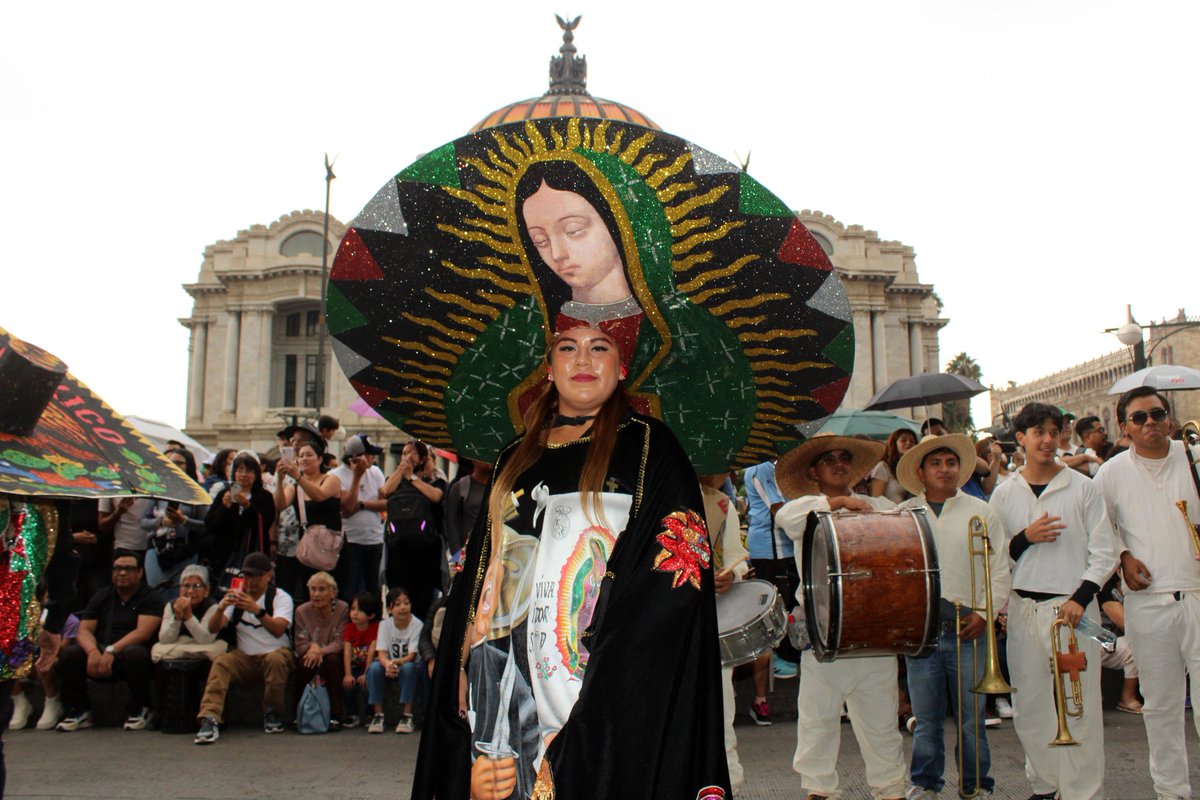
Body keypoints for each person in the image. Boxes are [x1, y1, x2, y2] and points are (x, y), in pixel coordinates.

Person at [412, 324, 729, 800]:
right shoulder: (512, 458)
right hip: (501, 670)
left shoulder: (650, 447)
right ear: (549, 369)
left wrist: (609, 664)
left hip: (601, 667)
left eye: (599, 348)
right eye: (568, 348)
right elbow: (481, 569)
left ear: (621, 370)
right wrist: (462, 662)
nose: (583, 359)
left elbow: (678, 570)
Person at [989, 402, 1118, 800]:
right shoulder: (1004, 494)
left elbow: (1105, 552)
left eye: (1053, 431)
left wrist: (1081, 597)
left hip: (1073, 612)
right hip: (1025, 612)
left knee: (1079, 709)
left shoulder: (1083, 487)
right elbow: (994, 557)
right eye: (1037, 432)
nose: (1047, 440)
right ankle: (1045, 786)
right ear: (1021, 438)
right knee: (1030, 705)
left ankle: (1082, 792)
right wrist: (1024, 538)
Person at [774, 434, 908, 800]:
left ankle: (892, 791)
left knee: (881, 725)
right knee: (817, 724)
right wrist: (839, 503)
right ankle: (819, 792)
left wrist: (861, 506)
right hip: (825, 633)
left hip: (873, 634)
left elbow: (908, 525)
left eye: (844, 457)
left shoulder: (877, 505)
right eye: (828, 459)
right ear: (814, 472)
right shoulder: (803, 508)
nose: (838, 463)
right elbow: (787, 518)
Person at [1094, 386, 1200, 800]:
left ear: (1169, 419)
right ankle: (1172, 792)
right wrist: (1122, 557)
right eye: (1139, 418)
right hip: (1149, 602)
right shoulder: (1111, 473)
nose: (1150, 422)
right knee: (1160, 706)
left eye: (1157, 414)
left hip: (1197, 593)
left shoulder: (1193, 458)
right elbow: (1100, 529)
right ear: (1124, 427)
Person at [894, 434, 1011, 799]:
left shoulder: (982, 510)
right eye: (936, 464)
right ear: (921, 472)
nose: (945, 470)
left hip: (969, 627)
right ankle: (926, 782)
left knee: (971, 720)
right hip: (923, 629)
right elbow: (895, 573)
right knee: (926, 720)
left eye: (950, 463)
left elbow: (1000, 569)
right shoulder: (904, 514)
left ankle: (977, 783)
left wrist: (984, 615)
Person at [56, 550, 163, 732]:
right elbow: (84, 630)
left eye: (128, 569)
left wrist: (112, 650)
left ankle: (140, 708)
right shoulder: (102, 596)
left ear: (140, 572)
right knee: (70, 654)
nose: (122, 573)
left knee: (135, 654)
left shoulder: (150, 597)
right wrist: (93, 652)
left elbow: (143, 632)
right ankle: (79, 711)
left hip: (129, 652)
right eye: (118, 569)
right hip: (100, 652)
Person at [194, 553, 294, 744]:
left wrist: (257, 610)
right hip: (245, 657)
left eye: (257, 576)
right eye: (247, 576)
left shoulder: (281, 597)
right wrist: (221, 607)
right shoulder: (236, 597)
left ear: (268, 575)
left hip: (276, 653)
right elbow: (213, 628)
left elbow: (278, 629)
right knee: (222, 662)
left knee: (276, 659)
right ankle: (210, 717)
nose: (251, 581)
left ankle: (272, 712)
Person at [701, 473, 751, 795]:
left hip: (711, 625)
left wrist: (731, 574)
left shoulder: (721, 505)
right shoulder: (647, 491)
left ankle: (726, 787)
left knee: (720, 716)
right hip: (658, 630)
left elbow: (737, 557)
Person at [743, 457, 798, 682]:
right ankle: (781, 657)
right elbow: (777, 508)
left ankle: (790, 653)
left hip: (785, 546)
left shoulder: (777, 467)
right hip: (769, 548)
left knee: (792, 600)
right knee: (777, 603)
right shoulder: (760, 466)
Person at [381, 439, 445, 620]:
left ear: (423, 458)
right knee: (399, 594)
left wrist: (412, 477)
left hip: (425, 553)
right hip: (398, 551)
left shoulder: (435, 482)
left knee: (423, 599)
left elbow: (436, 497)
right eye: (403, 453)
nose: (407, 456)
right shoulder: (395, 481)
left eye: (412, 452)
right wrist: (401, 471)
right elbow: (385, 490)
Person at [273, 438, 342, 603]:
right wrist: (280, 479)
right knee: (307, 595)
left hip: (330, 548)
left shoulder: (330, 479)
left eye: (309, 455)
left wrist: (298, 477)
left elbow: (319, 495)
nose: (304, 458)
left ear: (319, 459)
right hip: (307, 550)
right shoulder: (295, 486)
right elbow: (280, 504)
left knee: (330, 593)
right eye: (301, 455)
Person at [9, 584, 79, 731]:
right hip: (31, 658)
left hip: (56, 659)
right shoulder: (31, 619)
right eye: (49, 596)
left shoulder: (71, 621)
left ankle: (52, 699)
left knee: (43, 662)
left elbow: (64, 645)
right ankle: (19, 701)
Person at [141, 448, 209, 595]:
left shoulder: (197, 492)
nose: (175, 466)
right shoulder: (158, 489)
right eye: (172, 462)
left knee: (182, 594)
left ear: (189, 465)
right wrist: (161, 522)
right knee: (156, 594)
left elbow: (206, 525)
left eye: (180, 463)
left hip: (185, 550)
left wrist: (184, 520)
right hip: (158, 548)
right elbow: (144, 522)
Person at [204, 451, 276, 585]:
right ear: (234, 473)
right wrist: (224, 508)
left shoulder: (264, 496)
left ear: (256, 474)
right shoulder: (224, 493)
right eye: (240, 470)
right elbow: (210, 524)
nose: (243, 475)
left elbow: (265, 523)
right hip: (225, 552)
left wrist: (247, 506)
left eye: (249, 471)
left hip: (251, 551)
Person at [332, 434, 387, 601]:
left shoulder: (376, 472)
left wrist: (363, 505)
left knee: (373, 589)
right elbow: (348, 506)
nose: (372, 458)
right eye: (369, 454)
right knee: (350, 588)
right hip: (351, 541)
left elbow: (386, 502)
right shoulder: (336, 475)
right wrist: (357, 476)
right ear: (356, 457)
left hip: (374, 539)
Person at [292, 571, 350, 729]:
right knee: (305, 662)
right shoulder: (301, 611)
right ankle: (298, 711)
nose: (316, 594)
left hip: (331, 655)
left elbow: (340, 642)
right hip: (310, 654)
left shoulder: (342, 608)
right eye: (313, 589)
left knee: (332, 661)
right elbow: (300, 644)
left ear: (333, 592)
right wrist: (313, 647)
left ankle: (336, 714)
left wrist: (320, 651)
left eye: (322, 589)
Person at [367, 587, 423, 735]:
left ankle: (407, 715)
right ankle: (378, 715)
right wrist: (387, 664)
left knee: (409, 668)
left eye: (406, 603)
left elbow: (411, 655)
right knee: (374, 668)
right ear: (389, 608)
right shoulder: (384, 625)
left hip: (407, 665)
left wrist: (394, 664)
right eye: (397, 604)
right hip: (390, 665)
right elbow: (381, 652)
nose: (403, 607)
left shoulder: (417, 624)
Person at [151, 564, 226, 662]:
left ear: (206, 590)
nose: (190, 591)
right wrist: (177, 618)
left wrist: (188, 617)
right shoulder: (171, 605)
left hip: (203, 645)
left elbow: (205, 639)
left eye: (196, 586)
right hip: (180, 643)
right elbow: (164, 640)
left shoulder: (213, 607)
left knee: (214, 650)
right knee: (157, 648)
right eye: (186, 586)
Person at [342, 590, 381, 728]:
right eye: (352, 609)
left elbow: (372, 649)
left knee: (366, 685)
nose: (354, 613)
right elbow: (347, 651)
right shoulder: (348, 628)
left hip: (368, 665)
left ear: (371, 615)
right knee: (348, 684)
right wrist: (347, 673)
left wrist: (366, 672)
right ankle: (352, 714)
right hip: (353, 665)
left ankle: (370, 713)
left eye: (360, 610)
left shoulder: (375, 628)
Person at [443, 457, 491, 558]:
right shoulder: (459, 488)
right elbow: (451, 523)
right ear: (474, 459)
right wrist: (457, 556)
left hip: (492, 551)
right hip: (467, 552)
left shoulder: (499, 487)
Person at [869, 428, 917, 503]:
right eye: (903, 440)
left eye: (912, 441)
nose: (908, 443)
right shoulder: (883, 467)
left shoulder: (916, 468)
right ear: (894, 444)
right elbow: (876, 500)